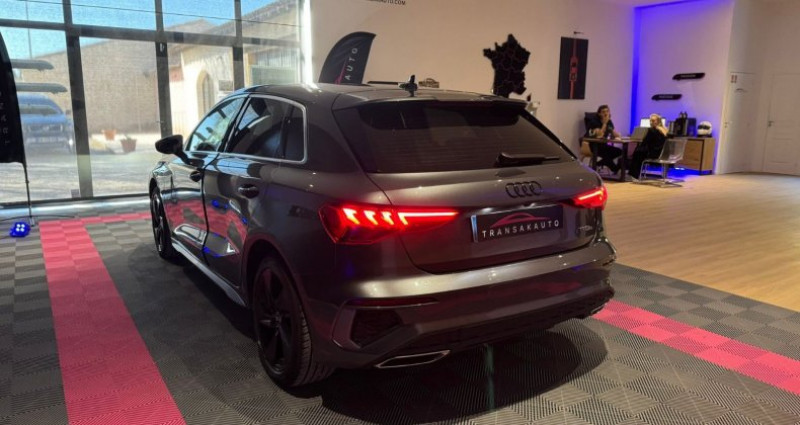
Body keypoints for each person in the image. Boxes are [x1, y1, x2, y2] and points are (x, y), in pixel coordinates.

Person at [629, 113, 668, 180]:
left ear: (658, 121)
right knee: (639, 152)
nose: (651, 122)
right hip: (662, 154)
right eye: (650, 121)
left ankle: (634, 175)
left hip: (653, 154)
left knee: (637, 153)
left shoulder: (652, 130)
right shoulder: (665, 131)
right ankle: (634, 174)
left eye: (653, 121)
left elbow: (645, 142)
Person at [586, 105, 623, 174]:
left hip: (603, 145)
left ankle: (597, 164)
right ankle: (615, 169)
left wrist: (615, 133)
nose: (606, 114)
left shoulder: (609, 121)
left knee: (620, 152)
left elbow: (615, 134)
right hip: (593, 146)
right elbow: (599, 135)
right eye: (603, 112)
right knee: (606, 155)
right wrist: (604, 123)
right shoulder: (594, 122)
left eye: (607, 111)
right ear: (599, 114)